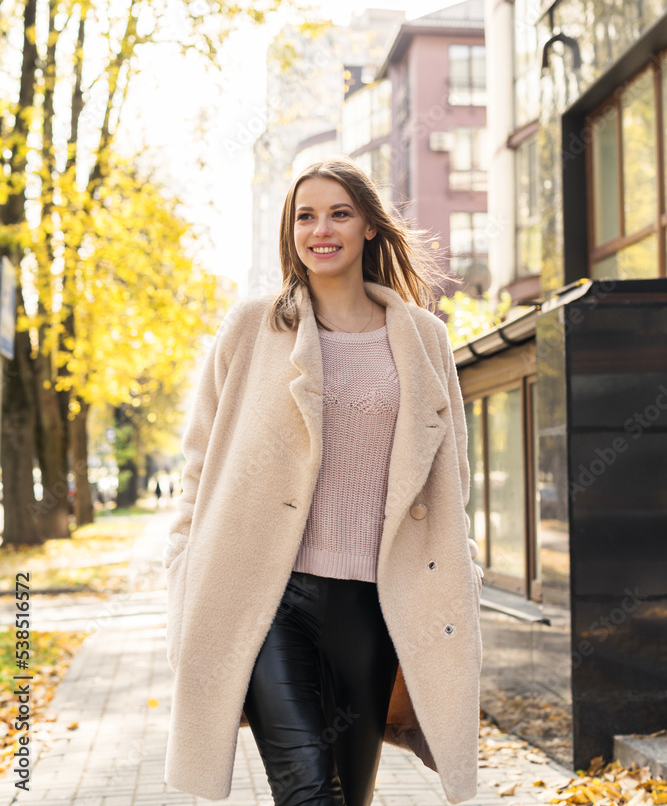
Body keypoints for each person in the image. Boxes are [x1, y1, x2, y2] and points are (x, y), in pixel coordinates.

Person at [162, 156, 484, 806]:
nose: (321, 229)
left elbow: (451, 482)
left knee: (348, 793)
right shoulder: (251, 329)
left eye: (339, 212)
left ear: (369, 226)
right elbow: (199, 465)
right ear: (290, 231)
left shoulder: (423, 338)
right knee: (309, 792)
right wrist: (181, 567)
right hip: (266, 600)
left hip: (375, 605)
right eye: (305, 216)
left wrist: (461, 578)